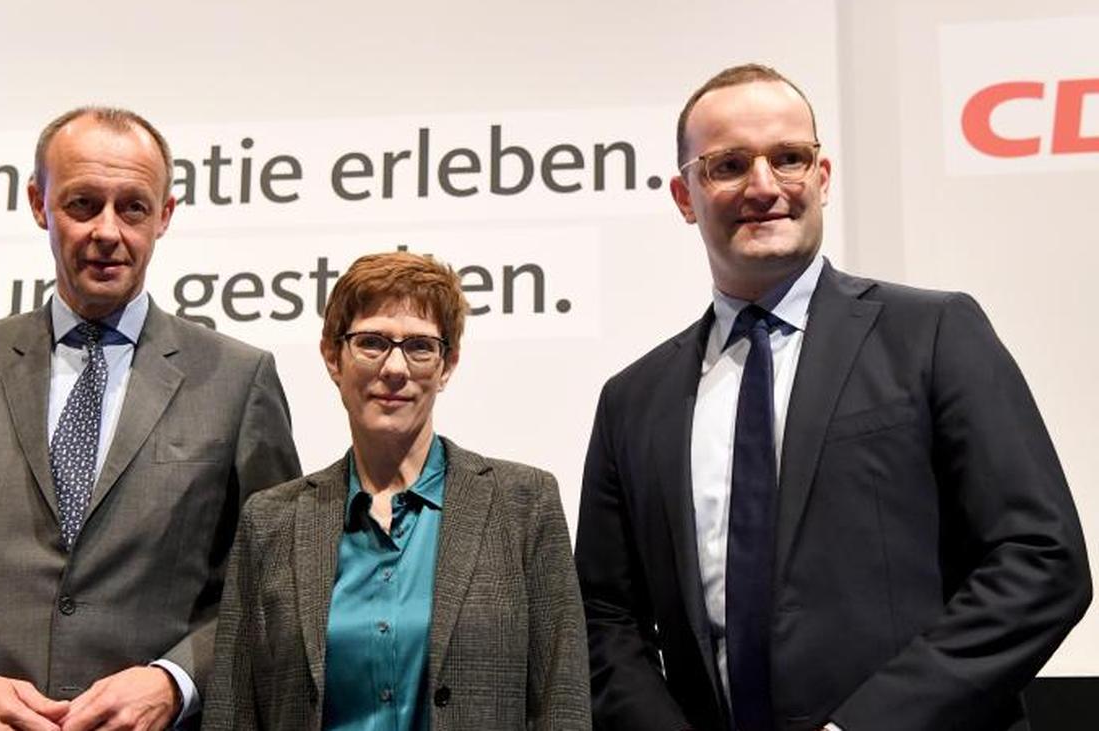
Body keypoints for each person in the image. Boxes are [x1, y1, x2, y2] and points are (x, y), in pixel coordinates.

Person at [575, 64, 1091, 731]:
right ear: (684, 196)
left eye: (788, 158)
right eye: (728, 165)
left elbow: (1040, 560)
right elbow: (604, 619)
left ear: (822, 176)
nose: (764, 186)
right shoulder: (633, 400)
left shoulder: (933, 333)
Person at [0, 106, 302, 731]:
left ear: (164, 216)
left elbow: (278, 585)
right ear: (39, 203)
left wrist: (176, 680)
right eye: (83, 204)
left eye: (133, 208)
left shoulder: (238, 379)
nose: (107, 231)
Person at [202, 251, 590, 730]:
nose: (395, 368)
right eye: (372, 343)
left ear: (447, 365)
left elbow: (562, 705)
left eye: (420, 347)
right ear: (332, 358)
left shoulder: (524, 505)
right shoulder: (270, 522)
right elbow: (233, 713)